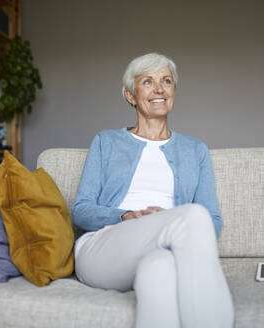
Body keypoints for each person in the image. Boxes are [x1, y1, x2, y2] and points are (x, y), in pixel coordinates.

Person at [71, 53, 234, 328]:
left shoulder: (195, 150)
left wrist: (170, 228)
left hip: (166, 246)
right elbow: (81, 210)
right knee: (194, 215)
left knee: (160, 269)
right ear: (130, 95)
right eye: (148, 81)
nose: (159, 88)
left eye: (166, 81)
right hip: (105, 246)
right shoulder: (106, 141)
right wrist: (126, 216)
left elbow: (213, 220)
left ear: (173, 92)